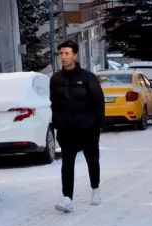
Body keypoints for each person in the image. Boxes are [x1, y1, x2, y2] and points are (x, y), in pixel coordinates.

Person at [50, 40, 104, 213]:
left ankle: (95, 189)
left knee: (92, 159)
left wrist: (97, 126)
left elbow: (98, 102)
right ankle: (67, 199)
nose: (63, 57)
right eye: (61, 54)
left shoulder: (88, 78)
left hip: (87, 127)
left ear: (75, 55)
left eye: (67, 53)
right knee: (67, 164)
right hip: (67, 129)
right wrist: (58, 124)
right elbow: (54, 103)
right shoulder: (56, 79)